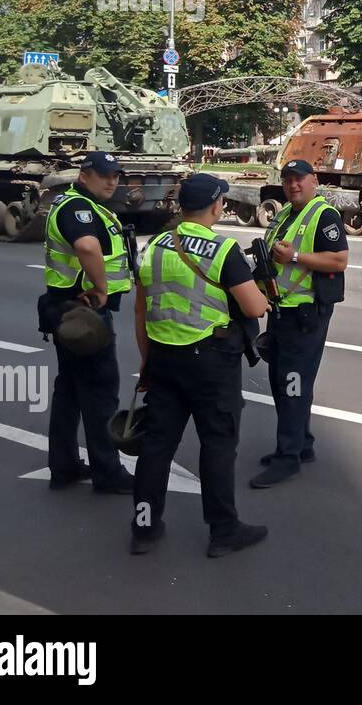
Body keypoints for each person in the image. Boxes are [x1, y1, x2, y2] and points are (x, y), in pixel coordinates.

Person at [130, 174, 269, 557]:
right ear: (215, 206)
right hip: (209, 363)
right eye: (222, 202)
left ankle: (143, 527)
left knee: (157, 446)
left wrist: (146, 364)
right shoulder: (222, 250)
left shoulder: (154, 246)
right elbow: (255, 307)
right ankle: (223, 531)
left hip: (162, 358)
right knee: (218, 445)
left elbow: (141, 310)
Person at [252, 160, 349, 488]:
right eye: (288, 179)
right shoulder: (284, 214)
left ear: (314, 180)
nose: (293, 185)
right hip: (282, 310)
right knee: (285, 381)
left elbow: (339, 259)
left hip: (306, 313)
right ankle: (301, 445)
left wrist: (294, 257)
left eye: (299, 179)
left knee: (291, 383)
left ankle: (288, 458)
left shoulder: (324, 215)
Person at [44, 152, 135, 494]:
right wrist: (100, 287)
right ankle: (107, 472)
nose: (112, 181)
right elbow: (86, 246)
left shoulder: (80, 203)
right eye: (104, 175)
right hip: (84, 313)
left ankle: (64, 466)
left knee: (69, 390)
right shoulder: (76, 208)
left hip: (67, 310)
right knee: (99, 394)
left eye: (115, 175)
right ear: (84, 175)